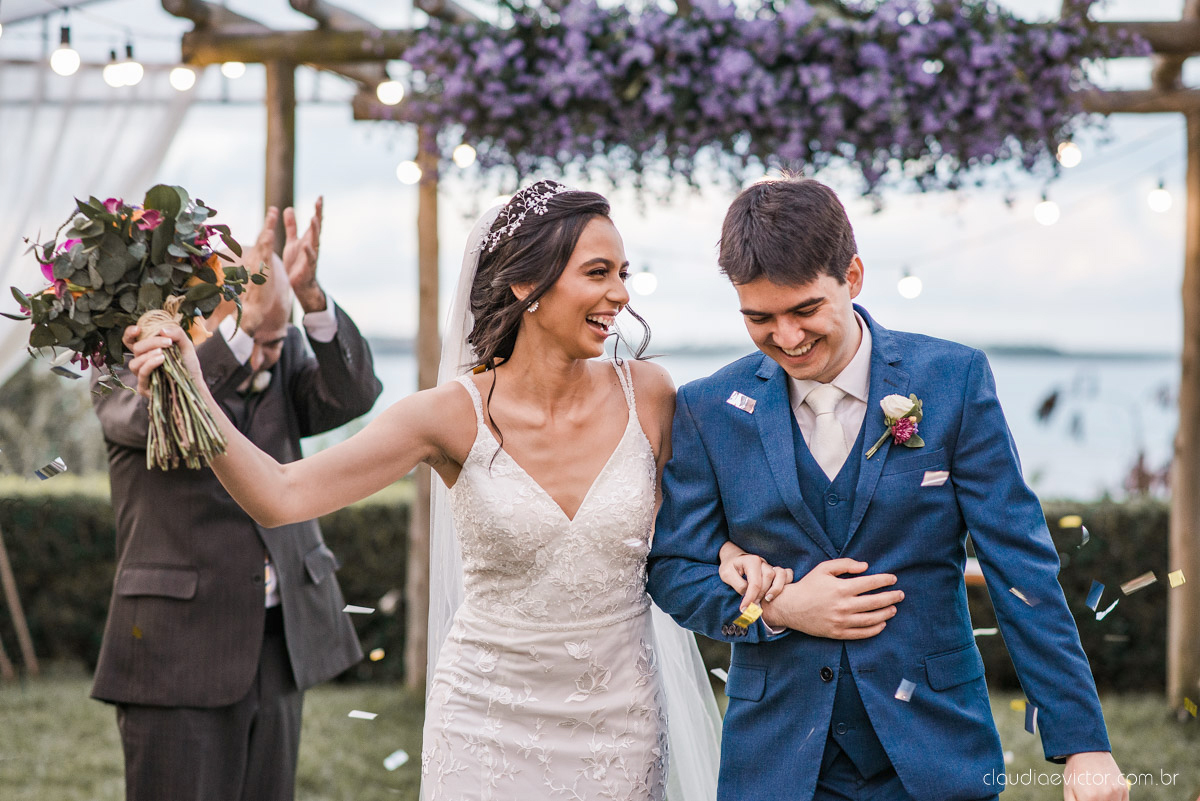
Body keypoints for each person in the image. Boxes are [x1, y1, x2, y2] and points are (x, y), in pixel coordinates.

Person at [124, 181, 782, 801]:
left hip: (620, 720)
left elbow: (693, 530)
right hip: (484, 723)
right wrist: (197, 391)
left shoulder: (653, 394)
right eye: (597, 272)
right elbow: (282, 493)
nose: (620, 295)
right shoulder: (446, 415)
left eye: (622, 272)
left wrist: (728, 554)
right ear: (526, 283)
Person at [646, 176, 1128, 801]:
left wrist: (1083, 745)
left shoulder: (952, 381)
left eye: (805, 310)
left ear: (853, 275)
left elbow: (1020, 565)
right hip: (776, 762)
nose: (786, 338)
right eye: (759, 318)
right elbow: (674, 570)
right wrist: (776, 608)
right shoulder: (710, 408)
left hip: (935, 751)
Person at [91, 199, 383, 801]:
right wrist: (239, 338)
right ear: (207, 309)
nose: (272, 351)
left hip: (279, 644)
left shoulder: (284, 355)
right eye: (256, 329)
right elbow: (151, 422)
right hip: (177, 647)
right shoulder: (127, 366)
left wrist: (310, 299)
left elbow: (354, 394)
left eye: (278, 339)